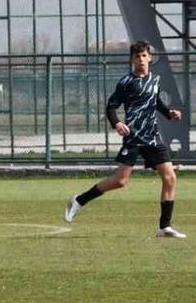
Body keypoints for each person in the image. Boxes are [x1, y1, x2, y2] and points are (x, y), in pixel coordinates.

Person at [64, 40, 186, 237]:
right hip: (133, 136)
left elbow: (154, 101)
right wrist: (117, 123)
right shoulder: (126, 82)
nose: (141, 60)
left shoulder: (155, 79)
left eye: (144, 56)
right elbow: (111, 106)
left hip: (152, 136)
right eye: (137, 57)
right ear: (132, 60)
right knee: (120, 181)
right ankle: (79, 200)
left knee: (170, 177)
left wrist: (168, 113)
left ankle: (164, 227)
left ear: (150, 57)